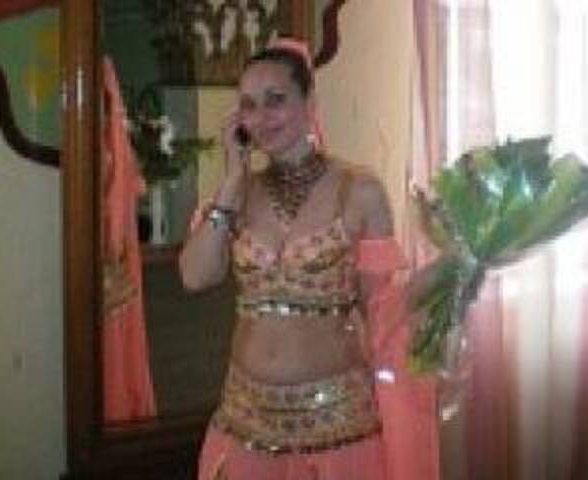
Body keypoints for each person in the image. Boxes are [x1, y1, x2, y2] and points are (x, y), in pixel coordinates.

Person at [180, 39, 440, 480]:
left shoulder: (359, 191)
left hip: (337, 425)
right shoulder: (236, 195)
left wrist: (449, 274)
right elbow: (195, 276)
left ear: (310, 103)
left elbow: (382, 309)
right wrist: (232, 181)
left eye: (275, 100)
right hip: (245, 421)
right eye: (248, 105)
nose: (261, 118)